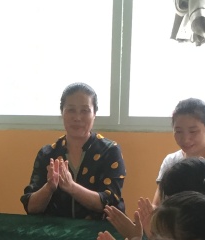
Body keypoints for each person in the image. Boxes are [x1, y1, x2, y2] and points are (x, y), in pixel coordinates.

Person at [21, 83, 126, 219]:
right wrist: (49, 187)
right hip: (56, 230)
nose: (77, 117)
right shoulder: (47, 154)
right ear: (62, 112)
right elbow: (31, 207)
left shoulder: (110, 151)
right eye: (71, 110)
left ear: (94, 114)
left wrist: (71, 187)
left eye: (85, 111)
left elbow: (109, 202)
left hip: (100, 231)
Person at [154, 98, 205, 205]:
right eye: (178, 131)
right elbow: (158, 203)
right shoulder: (171, 161)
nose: (185, 139)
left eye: (193, 131)